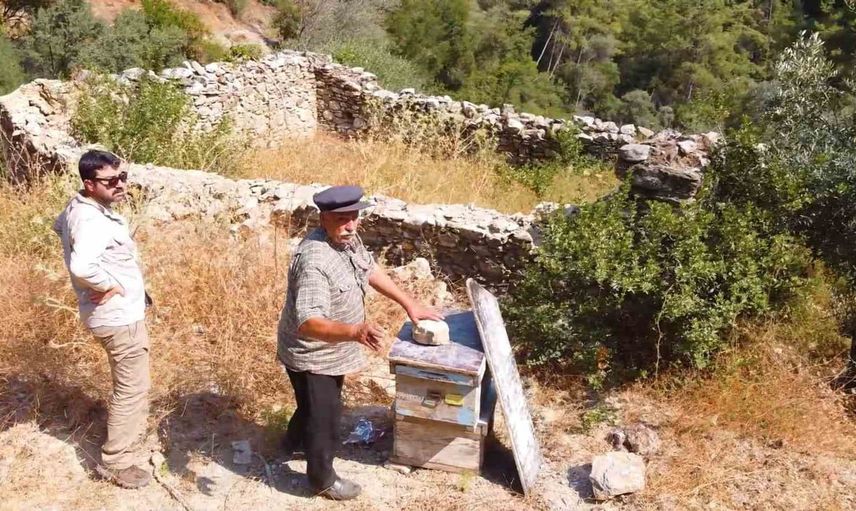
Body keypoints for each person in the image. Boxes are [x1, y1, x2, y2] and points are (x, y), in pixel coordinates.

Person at [277, 185, 443, 501]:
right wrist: (355, 332)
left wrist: (409, 303)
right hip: (314, 354)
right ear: (323, 218)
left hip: (333, 347)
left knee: (312, 405)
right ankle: (322, 479)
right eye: (342, 219)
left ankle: (292, 443)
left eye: (354, 217)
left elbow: (370, 269)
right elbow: (308, 323)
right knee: (325, 417)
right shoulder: (314, 261)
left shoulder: (347, 239)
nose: (351, 226)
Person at [53, 150, 152, 488]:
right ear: (89, 184)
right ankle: (116, 462)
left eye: (122, 177)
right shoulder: (92, 219)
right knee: (132, 389)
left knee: (126, 384)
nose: (120, 184)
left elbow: (59, 227)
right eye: (111, 181)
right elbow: (82, 266)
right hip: (118, 318)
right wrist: (107, 284)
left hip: (112, 314)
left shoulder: (80, 208)